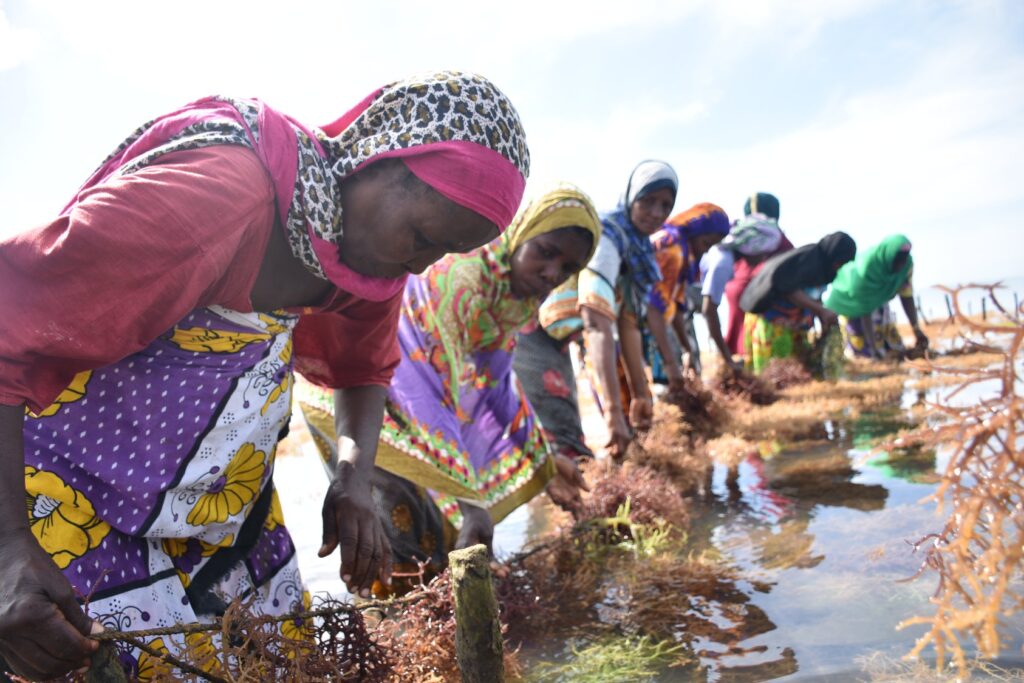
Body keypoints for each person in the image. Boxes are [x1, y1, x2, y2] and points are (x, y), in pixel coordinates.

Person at [0, 71, 529, 679]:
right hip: (80, 497)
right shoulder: (224, 195)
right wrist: (9, 547)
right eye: (422, 236)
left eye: (443, 253)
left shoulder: (364, 260)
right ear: (380, 158)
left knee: (278, 661)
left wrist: (354, 479)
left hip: (224, 507)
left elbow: (365, 369)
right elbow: (11, 319)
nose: (421, 263)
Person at [297, 185, 600, 589]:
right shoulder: (465, 277)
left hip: (415, 400)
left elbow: (496, 388)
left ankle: (432, 624)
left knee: (435, 534)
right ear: (522, 233)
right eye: (545, 252)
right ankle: (395, 634)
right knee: (397, 531)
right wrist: (470, 500)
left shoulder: (512, 299)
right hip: (360, 396)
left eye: (567, 269)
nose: (551, 273)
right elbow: (434, 385)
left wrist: (544, 461)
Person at [518, 161, 678, 461]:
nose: (656, 213)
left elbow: (628, 327)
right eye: (647, 201)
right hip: (533, 334)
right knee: (565, 445)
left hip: (562, 341)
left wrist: (641, 395)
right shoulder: (607, 239)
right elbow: (595, 324)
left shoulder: (639, 252)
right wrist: (613, 413)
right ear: (631, 197)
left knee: (568, 444)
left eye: (666, 205)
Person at [739, 232, 857, 373]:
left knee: (798, 370)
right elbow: (790, 290)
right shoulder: (808, 261)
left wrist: (822, 316)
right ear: (833, 255)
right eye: (840, 262)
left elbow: (814, 296)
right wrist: (821, 311)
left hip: (792, 326)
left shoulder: (824, 268)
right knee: (774, 373)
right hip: (772, 322)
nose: (840, 267)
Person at [646, 203, 730, 384]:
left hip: (652, 328)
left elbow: (676, 304)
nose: (705, 251)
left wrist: (687, 350)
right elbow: (653, 307)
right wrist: (670, 363)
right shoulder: (672, 249)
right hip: (635, 329)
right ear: (694, 230)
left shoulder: (685, 255)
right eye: (706, 243)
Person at [696, 213, 785, 372]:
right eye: (763, 252)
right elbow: (708, 310)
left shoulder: (728, 258)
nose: (763, 258)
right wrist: (727, 359)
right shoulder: (723, 262)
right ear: (753, 247)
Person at [824, 234, 928, 359]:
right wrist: (873, 348)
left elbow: (906, 295)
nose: (900, 266)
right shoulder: (867, 268)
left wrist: (916, 329)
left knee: (894, 348)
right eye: (897, 261)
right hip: (851, 304)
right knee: (864, 353)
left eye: (903, 261)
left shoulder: (906, 265)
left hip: (877, 305)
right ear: (888, 257)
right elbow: (864, 308)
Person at [723, 193, 794, 357]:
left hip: (737, 292)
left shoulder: (739, 235)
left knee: (742, 351)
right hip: (761, 302)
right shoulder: (777, 237)